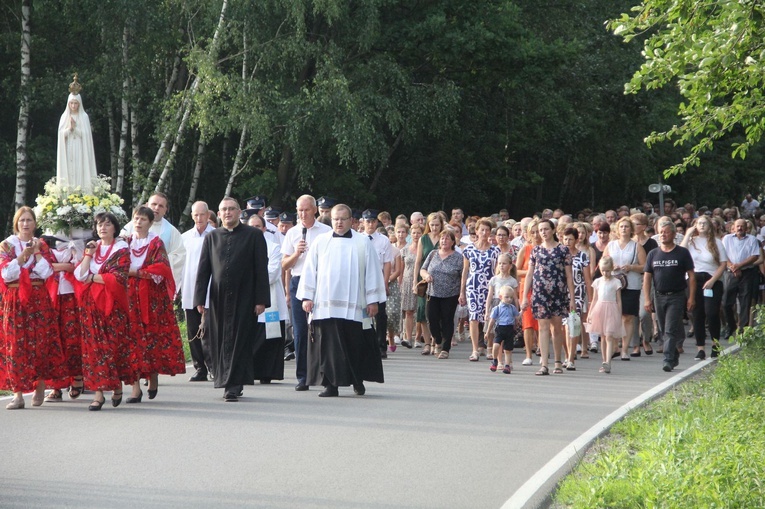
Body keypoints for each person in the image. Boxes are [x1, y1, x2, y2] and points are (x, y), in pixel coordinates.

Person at [296, 204, 386, 397]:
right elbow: (310, 270)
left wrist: (373, 300)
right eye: (336, 219)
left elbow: (372, 272)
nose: (339, 222)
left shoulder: (363, 242)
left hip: (354, 305)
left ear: (351, 221)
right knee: (327, 347)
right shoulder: (321, 241)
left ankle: (356, 380)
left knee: (354, 345)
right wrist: (307, 296)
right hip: (324, 305)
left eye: (343, 219)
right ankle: (330, 385)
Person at [194, 197, 270, 402]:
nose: (227, 213)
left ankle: (233, 385)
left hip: (245, 297)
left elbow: (261, 269)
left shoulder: (253, 235)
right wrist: (199, 298)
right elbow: (203, 269)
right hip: (218, 298)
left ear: (239, 212)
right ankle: (223, 379)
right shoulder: (212, 237)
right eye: (223, 210)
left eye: (231, 209)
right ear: (218, 214)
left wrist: (261, 300)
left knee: (240, 340)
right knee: (217, 340)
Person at [0, 207, 63, 409]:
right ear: (16, 223)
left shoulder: (42, 246)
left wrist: (35, 254)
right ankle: (17, 393)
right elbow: (6, 275)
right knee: (15, 344)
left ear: (35, 224)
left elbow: (46, 273)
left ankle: (40, 384)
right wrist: (21, 258)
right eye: (22, 220)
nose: (25, 224)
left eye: (29, 220)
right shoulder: (7, 246)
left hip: (38, 297)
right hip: (15, 297)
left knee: (40, 341)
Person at [125, 206, 186, 403]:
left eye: (143, 219)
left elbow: (162, 269)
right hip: (129, 298)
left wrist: (137, 272)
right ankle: (135, 388)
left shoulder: (155, 243)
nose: (138, 222)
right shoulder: (125, 242)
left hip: (151, 299)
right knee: (131, 340)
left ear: (151, 223)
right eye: (136, 218)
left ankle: (152, 375)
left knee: (150, 338)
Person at [74, 212, 132, 410]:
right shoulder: (93, 248)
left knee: (113, 347)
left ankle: (116, 385)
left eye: (107, 224)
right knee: (94, 349)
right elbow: (80, 274)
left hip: (113, 305)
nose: (103, 228)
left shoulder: (121, 249)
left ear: (115, 227)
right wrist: (88, 255)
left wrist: (92, 277)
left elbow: (119, 277)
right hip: (91, 306)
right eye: (99, 224)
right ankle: (98, 394)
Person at [281, 195, 332, 391]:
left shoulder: (326, 232)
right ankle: (302, 376)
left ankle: (324, 373)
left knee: (321, 329)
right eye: (299, 210)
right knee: (301, 331)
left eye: (306, 210)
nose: (303, 214)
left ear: (315, 210)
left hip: (320, 283)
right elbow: (285, 265)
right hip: (298, 281)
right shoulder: (293, 233)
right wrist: (296, 253)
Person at [521, 219, 576, 376]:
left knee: (556, 327)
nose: (543, 232)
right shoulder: (536, 250)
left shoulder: (563, 250)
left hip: (558, 292)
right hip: (540, 293)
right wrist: (525, 296)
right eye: (540, 230)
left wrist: (572, 298)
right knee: (543, 327)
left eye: (546, 229)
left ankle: (558, 361)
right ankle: (544, 364)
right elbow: (530, 273)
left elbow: (568, 275)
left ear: (553, 230)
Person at [644, 219, 696, 372]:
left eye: (666, 232)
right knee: (662, 328)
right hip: (659, 296)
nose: (663, 235)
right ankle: (674, 355)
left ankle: (667, 359)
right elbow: (647, 277)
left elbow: (691, 276)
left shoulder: (682, 253)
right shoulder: (653, 254)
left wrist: (691, 297)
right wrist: (647, 298)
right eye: (661, 232)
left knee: (670, 328)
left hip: (677, 296)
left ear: (674, 234)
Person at [43, 235, 84, 402]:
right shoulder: (43, 244)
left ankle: (78, 377)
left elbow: (80, 267)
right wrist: (66, 266)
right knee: (53, 340)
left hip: (71, 295)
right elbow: (40, 266)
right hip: (50, 296)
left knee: (72, 339)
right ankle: (56, 385)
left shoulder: (79, 242)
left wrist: (65, 267)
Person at [247, 214, 287, 384]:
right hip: (249, 298)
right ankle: (249, 371)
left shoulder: (273, 247)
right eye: (252, 226)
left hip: (270, 298)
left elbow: (273, 272)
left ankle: (267, 373)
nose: (255, 229)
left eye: (258, 226)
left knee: (270, 338)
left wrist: (249, 279)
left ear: (264, 229)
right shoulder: (243, 246)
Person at [681, 216, 727, 359]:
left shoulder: (717, 242)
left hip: (711, 279)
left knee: (712, 312)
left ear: (710, 226)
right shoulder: (691, 242)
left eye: (704, 223)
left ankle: (715, 344)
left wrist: (713, 280)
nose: (701, 225)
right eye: (699, 223)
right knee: (697, 313)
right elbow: (681, 253)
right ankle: (700, 348)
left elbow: (723, 264)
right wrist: (688, 234)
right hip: (694, 279)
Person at [121, 192, 186, 292]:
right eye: (154, 204)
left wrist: (158, 260)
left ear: (165, 210)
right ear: (147, 205)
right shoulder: (132, 226)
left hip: (155, 285)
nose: (156, 208)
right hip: (130, 283)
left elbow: (180, 256)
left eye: (161, 206)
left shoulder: (172, 231)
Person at [603, 217, 646, 361]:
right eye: (621, 226)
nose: (624, 229)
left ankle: (625, 349)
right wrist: (611, 266)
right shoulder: (611, 245)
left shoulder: (636, 246)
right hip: (613, 284)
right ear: (617, 229)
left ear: (631, 229)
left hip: (631, 284)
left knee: (628, 317)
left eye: (627, 227)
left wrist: (631, 267)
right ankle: (614, 346)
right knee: (614, 317)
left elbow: (644, 266)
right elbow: (602, 263)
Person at [181, 201, 215, 382]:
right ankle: (199, 367)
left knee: (209, 330)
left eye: (202, 215)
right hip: (189, 289)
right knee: (193, 329)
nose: (199, 218)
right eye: (196, 215)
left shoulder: (216, 235)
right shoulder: (185, 237)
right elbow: (179, 265)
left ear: (208, 216)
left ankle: (213, 365)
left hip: (211, 289)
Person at [420, 230, 464, 359]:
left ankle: (445, 348)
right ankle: (437, 340)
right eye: (442, 238)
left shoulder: (458, 257)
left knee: (447, 320)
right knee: (431, 319)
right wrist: (426, 275)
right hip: (433, 292)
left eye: (447, 238)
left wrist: (462, 293)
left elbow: (462, 276)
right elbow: (423, 269)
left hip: (450, 294)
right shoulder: (433, 254)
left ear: (452, 242)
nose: (444, 240)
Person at [460, 219, 500, 361]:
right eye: (482, 230)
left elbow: (497, 271)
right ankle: (475, 349)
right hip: (473, 287)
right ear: (476, 231)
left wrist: (498, 289)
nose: (484, 233)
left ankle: (489, 347)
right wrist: (462, 291)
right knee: (473, 318)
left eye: (487, 230)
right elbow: (465, 271)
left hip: (489, 288)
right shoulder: (469, 249)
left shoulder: (495, 250)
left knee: (489, 317)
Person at [362, 209, 396, 358]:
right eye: (367, 221)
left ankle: (381, 345)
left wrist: (385, 282)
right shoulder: (357, 238)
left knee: (380, 314)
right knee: (363, 314)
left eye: (373, 221)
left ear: (377, 222)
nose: (370, 224)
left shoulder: (383, 240)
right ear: (363, 222)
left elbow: (387, 262)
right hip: (361, 280)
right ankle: (365, 344)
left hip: (378, 279)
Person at [56, 75, 98, 192]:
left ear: (79, 104)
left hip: (80, 149)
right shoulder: (64, 117)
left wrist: (75, 129)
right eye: (71, 103)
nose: (73, 106)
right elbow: (61, 135)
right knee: (69, 171)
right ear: (68, 104)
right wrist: (69, 129)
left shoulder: (84, 117)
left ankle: (82, 192)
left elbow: (86, 136)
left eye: (75, 103)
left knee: (79, 171)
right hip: (68, 149)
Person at [722, 218, 762, 336]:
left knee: (745, 302)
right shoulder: (727, 239)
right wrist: (733, 267)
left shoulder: (752, 240)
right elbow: (723, 254)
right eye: (737, 226)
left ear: (746, 228)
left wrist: (739, 266)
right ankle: (731, 325)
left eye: (742, 226)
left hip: (746, 273)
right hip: (730, 273)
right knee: (726, 302)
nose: (740, 228)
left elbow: (755, 256)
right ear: (733, 227)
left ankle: (743, 330)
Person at [587, 256, 626, 374]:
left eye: (608, 270)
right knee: (602, 337)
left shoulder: (616, 282)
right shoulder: (598, 282)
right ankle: (604, 361)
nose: (605, 273)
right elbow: (594, 299)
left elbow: (619, 300)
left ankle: (608, 362)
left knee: (609, 336)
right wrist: (590, 313)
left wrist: (619, 314)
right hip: (600, 309)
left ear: (612, 269)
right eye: (603, 270)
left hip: (612, 309)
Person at [562, 228, 592, 370]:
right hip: (561, 295)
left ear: (576, 240)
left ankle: (571, 358)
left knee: (571, 326)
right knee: (562, 329)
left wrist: (591, 300)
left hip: (578, 294)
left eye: (570, 239)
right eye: (565, 239)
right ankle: (567, 354)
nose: (568, 242)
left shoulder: (582, 256)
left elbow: (587, 280)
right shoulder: (559, 255)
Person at [484, 253, 518, 361]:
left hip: (509, 307)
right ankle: (498, 359)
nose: (501, 266)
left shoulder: (512, 281)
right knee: (496, 333)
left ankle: (508, 360)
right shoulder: (494, 279)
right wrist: (486, 311)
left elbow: (516, 298)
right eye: (499, 263)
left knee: (507, 335)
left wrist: (517, 312)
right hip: (497, 305)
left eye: (504, 263)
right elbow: (490, 296)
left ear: (510, 265)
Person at [516, 219, 541, 365]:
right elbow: (516, 270)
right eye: (533, 232)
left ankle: (541, 349)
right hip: (527, 289)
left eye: (539, 231)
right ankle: (528, 353)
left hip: (544, 289)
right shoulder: (525, 249)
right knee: (528, 322)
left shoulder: (547, 249)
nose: (537, 235)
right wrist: (530, 272)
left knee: (542, 321)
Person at [486, 286, 520, 374]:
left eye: (511, 297)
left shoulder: (512, 308)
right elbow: (492, 320)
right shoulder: (497, 309)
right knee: (496, 345)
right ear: (501, 297)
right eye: (507, 297)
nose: (509, 299)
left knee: (508, 349)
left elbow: (517, 317)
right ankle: (494, 360)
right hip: (500, 328)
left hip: (509, 329)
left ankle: (507, 365)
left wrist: (521, 313)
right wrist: (488, 332)